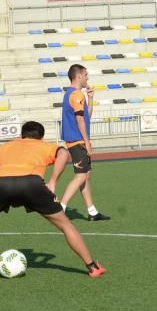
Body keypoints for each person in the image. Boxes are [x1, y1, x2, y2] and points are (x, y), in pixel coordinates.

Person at [0, 121, 105, 286]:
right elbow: (64, 153)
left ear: (21, 135)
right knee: (65, 225)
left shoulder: (6, 146)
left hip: (0, 184)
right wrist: (52, 182)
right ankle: (93, 267)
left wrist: (3, 186)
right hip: (32, 184)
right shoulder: (44, 146)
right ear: (41, 137)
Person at [58, 64, 109, 221]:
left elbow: (86, 116)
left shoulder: (75, 94)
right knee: (81, 176)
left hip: (77, 140)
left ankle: (92, 211)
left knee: (85, 175)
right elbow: (80, 119)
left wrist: (91, 98)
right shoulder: (76, 94)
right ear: (79, 76)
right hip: (77, 140)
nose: (87, 78)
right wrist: (86, 141)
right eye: (86, 75)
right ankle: (60, 208)